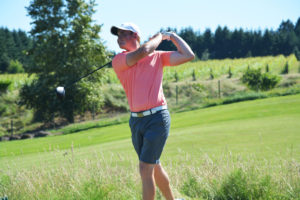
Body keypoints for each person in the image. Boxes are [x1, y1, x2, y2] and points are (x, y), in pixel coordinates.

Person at [111, 22, 194, 200]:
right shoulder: (119, 60)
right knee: (153, 166)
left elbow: (188, 55)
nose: (119, 37)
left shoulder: (157, 57)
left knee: (145, 167)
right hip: (136, 121)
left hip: (157, 118)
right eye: (117, 35)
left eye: (123, 34)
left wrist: (171, 36)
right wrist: (159, 37)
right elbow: (143, 52)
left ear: (135, 36)